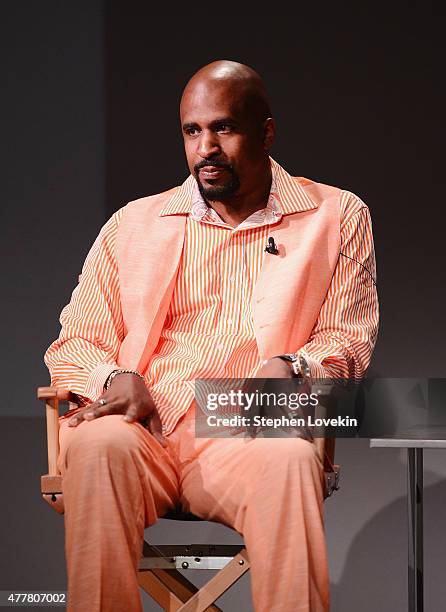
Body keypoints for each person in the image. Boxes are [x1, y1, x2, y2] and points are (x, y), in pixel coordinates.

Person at [45, 60, 379, 612]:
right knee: (96, 444)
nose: (207, 148)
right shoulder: (134, 223)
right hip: (143, 432)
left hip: (242, 432)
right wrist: (116, 376)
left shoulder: (334, 216)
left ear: (266, 132)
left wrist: (294, 367)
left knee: (292, 459)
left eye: (224, 128)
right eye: (192, 131)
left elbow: (349, 339)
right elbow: (75, 340)